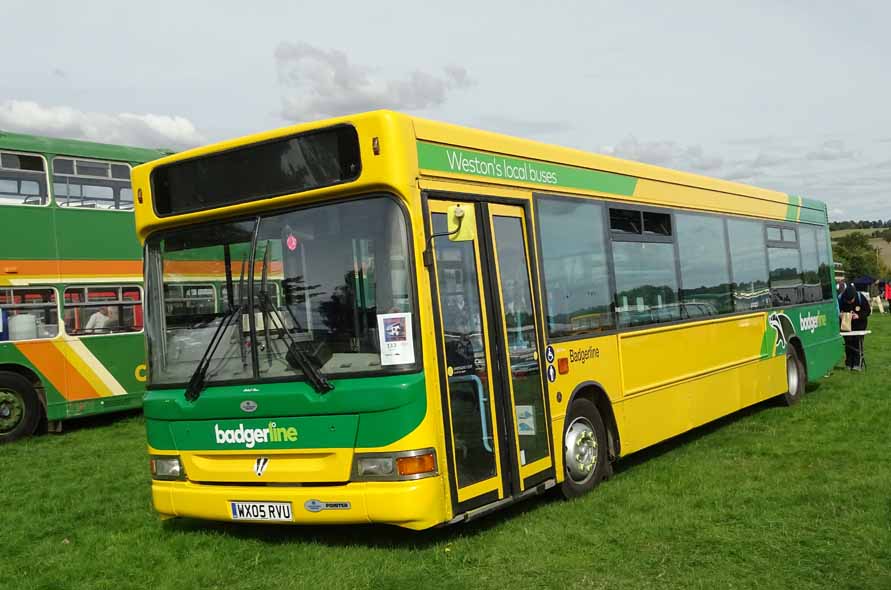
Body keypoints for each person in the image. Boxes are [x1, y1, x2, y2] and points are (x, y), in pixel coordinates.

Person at [838, 283, 871, 370]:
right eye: (848, 301)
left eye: (851, 300)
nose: (850, 302)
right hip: (846, 324)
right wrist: (840, 314)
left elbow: (868, 311)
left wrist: (858, 316)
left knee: (857, 343)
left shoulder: (861, 298)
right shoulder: (841, 298)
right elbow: (836, 310)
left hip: (860, 324)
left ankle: (857, 364)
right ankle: (849, 363)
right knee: (848, 344)